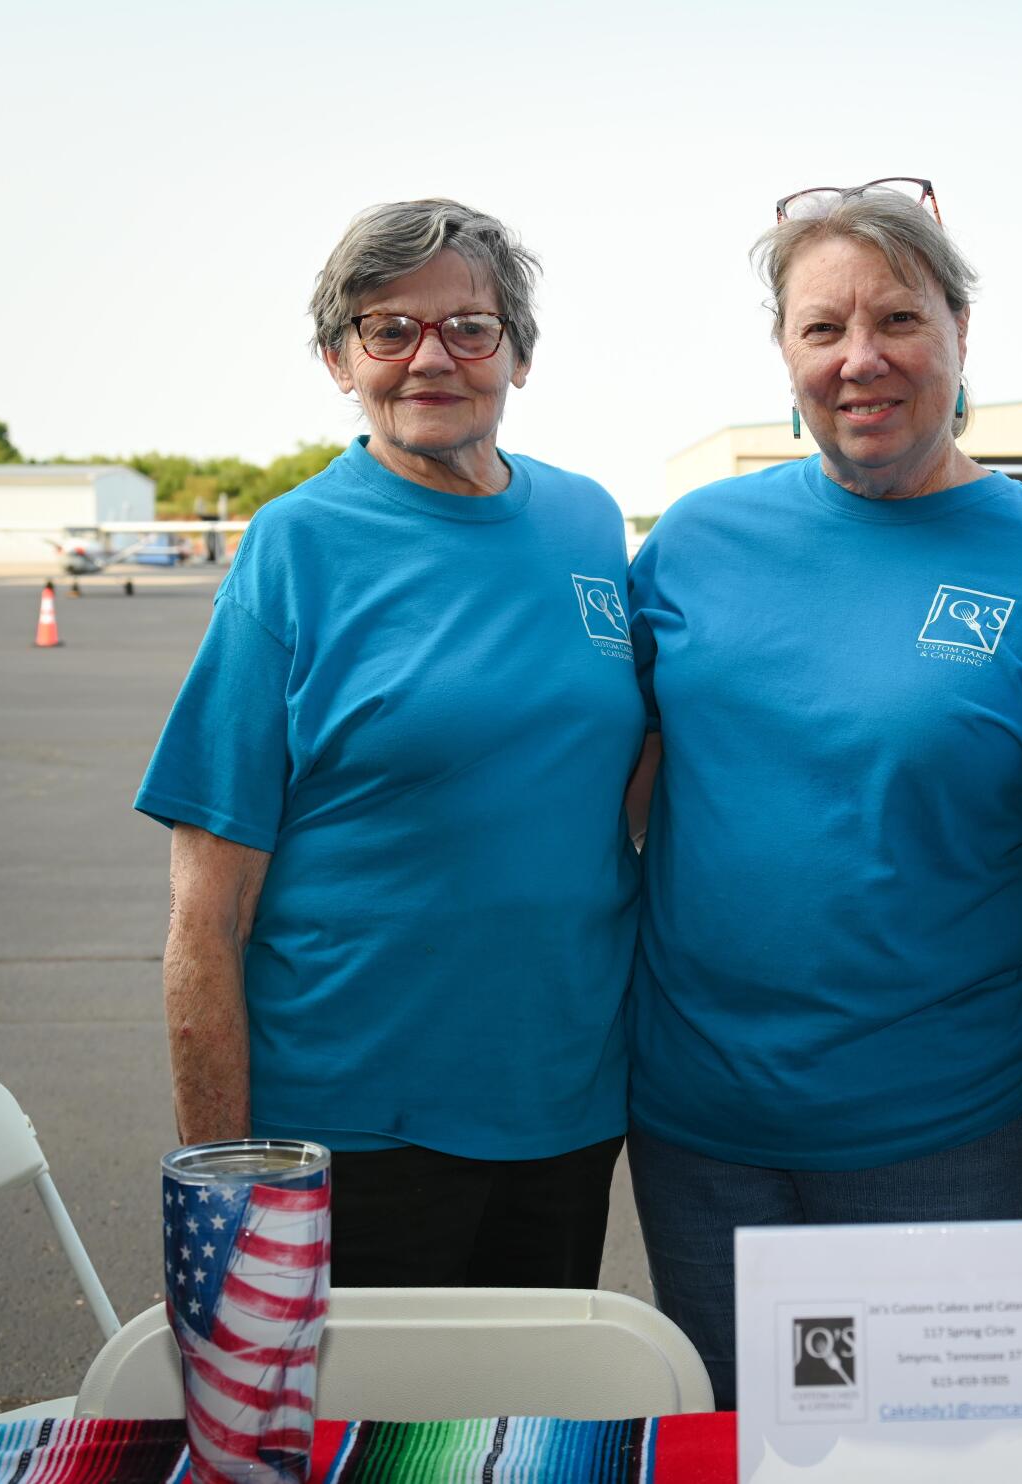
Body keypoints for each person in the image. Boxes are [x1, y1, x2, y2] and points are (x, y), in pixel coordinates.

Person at [624, 179, 1022, 1406]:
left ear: (963, 334)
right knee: (741, 1438)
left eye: (899, 320)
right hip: (701, 1135)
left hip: (952, 1138)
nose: (862, 359)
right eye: (822, 328)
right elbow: (611, 789)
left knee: (934, 1446)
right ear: (785, 353)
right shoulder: (694, 543)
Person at [135, 199, 641, 1286]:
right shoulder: (294, 546)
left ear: (518, 354)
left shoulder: (590, 524)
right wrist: (225, 1176)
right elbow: (206, 909)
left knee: (525, 1439)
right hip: (353, 1133)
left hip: (564, 1110)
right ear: (338, 358)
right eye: (387, 327)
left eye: (470, 326)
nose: (431, 357)